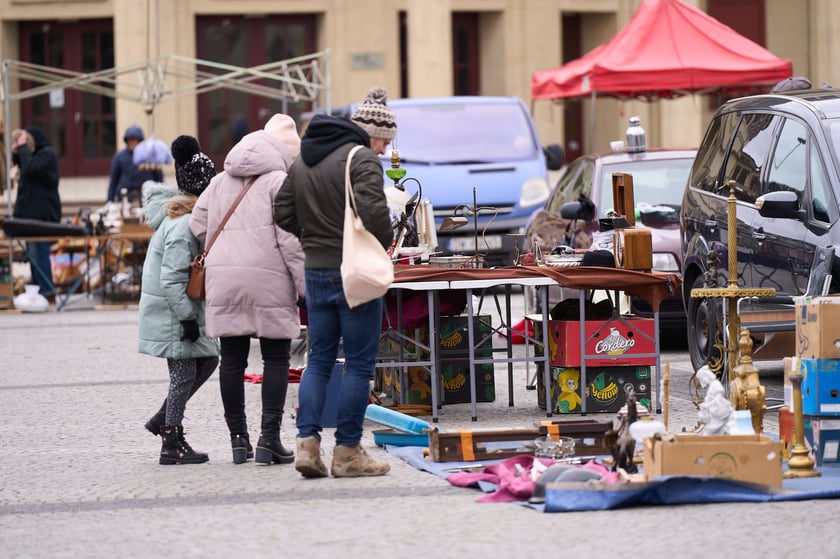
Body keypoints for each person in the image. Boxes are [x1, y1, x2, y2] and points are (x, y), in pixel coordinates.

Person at [273, 86, 395, 478]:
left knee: (319, 359)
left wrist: (312, 238)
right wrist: (384, 242)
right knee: (359, 365)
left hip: (316, 272)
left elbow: (281, 211)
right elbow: (376, 215)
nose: (383, 150)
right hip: (354, 273)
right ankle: (347, 452)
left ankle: (306, 445)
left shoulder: (305, 160)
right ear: (373, 134)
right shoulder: (360, 159)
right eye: (385, 142)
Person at [189, 114, 305, 465]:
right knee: (275, 358)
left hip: (224, 280)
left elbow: (196, 223)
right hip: (268, 278)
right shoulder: (279, 182)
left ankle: (237, 440)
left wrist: (223, 251)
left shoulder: (220, 180)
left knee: (233, 360)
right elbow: (290, 240)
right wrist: (304, 285)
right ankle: (268, 440)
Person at [138, 134, 219, 465]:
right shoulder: (184, 225)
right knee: (184, 373)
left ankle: (163, 419)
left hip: (174, 310)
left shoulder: (185, 219)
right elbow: (171, 279)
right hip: (173, 314)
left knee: (208, 360)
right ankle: (171, 440)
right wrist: (186, 318)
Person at [12, 125, 61, 300]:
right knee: (33, 254)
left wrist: (23, 148)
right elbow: (24, 167)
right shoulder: (33, 156)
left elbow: (31, 169)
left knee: (39, 252)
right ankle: (38, 290)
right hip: (29, 216)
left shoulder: (47, 154)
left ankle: (46, 291)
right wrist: (17, 152)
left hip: (42, 216)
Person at [107, 125, 163, 205]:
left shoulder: (149, 156)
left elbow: (159, 179)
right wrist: (109, 202)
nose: (131, 142)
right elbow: (113, 182)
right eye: (128, 140)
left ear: (140, 140)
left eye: (133, 139)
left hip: (146, 198)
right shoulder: (119, 157)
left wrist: (161, 199)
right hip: (125, 198)